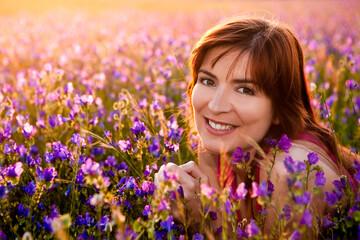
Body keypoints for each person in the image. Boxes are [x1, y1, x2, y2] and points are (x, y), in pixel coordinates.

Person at [155, 17, 356, 236]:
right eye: (208, 81)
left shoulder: (289, 173)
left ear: (280, 108)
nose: (215, 105)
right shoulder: (219, 144)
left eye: (244, 90)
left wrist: (200, 218)